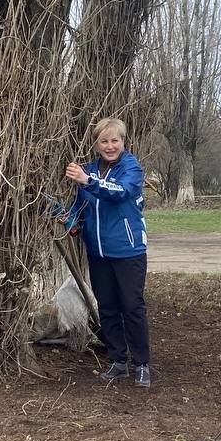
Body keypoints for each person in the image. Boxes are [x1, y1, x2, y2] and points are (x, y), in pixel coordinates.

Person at [65, 118, 152, 388]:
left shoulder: (131, 168)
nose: (110, 146)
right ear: (96, 144)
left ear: (123, 141)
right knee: (108, 307)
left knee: (132, 307)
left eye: (115, 140)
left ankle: (141, 364)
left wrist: (87, 180)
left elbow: (120, 193)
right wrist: (67, 217)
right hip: (98, 253)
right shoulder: (89, 169)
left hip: (128, 251)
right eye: (104, 141)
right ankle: (118, 361)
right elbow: (80, 207)